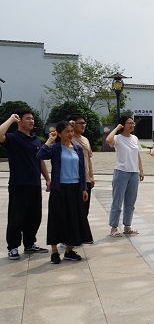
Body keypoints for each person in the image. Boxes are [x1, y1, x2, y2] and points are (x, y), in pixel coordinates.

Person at [37, 121, 92, 264]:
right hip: (59, 188)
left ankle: (69, 250)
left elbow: (81, 170)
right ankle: (54, 252)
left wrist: (84, 188)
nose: (70, 134)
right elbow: (40, 155)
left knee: (73, 219)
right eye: (67, 131)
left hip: (75, 188)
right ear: (59, 133)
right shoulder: (55, 148)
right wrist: (50, 140)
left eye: (71, 131)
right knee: (57, 219)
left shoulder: (78, 148)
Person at [0, 110, 50, 259]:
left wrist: (47, 178)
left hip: (35, 184)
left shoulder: (36, 140)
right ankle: (13, 247)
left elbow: (40, 160)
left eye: (32, 118)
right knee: (16, 217)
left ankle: (29, 244)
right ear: (19, 121)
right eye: (28, 118)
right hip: (19, 184)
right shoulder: (12, 138)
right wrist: (11, 119)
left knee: (34, 217)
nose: (32, 121)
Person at [106, 115, 143, 237]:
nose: (132, 125)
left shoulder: (135, 138)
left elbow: (137, 154)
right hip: (121, 172)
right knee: (117, 201)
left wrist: (141, 170)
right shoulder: (117, 138)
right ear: (122, 125)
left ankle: (127, 226)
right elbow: (108, 140)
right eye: (129, 123)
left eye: (133, 123)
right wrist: (117, 128)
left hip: (134, 173)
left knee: (130, 202)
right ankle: (114, 227)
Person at [68, 114, 95, 217]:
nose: (83, 125)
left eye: (84, 123)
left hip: (86, 179)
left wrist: (91, 176)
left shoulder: (85, 140)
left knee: (84, 210)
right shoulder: (68, 138)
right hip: (74, 179)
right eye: (80, 123)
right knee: (74, 210)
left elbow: (88, 159)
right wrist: (68, 126)